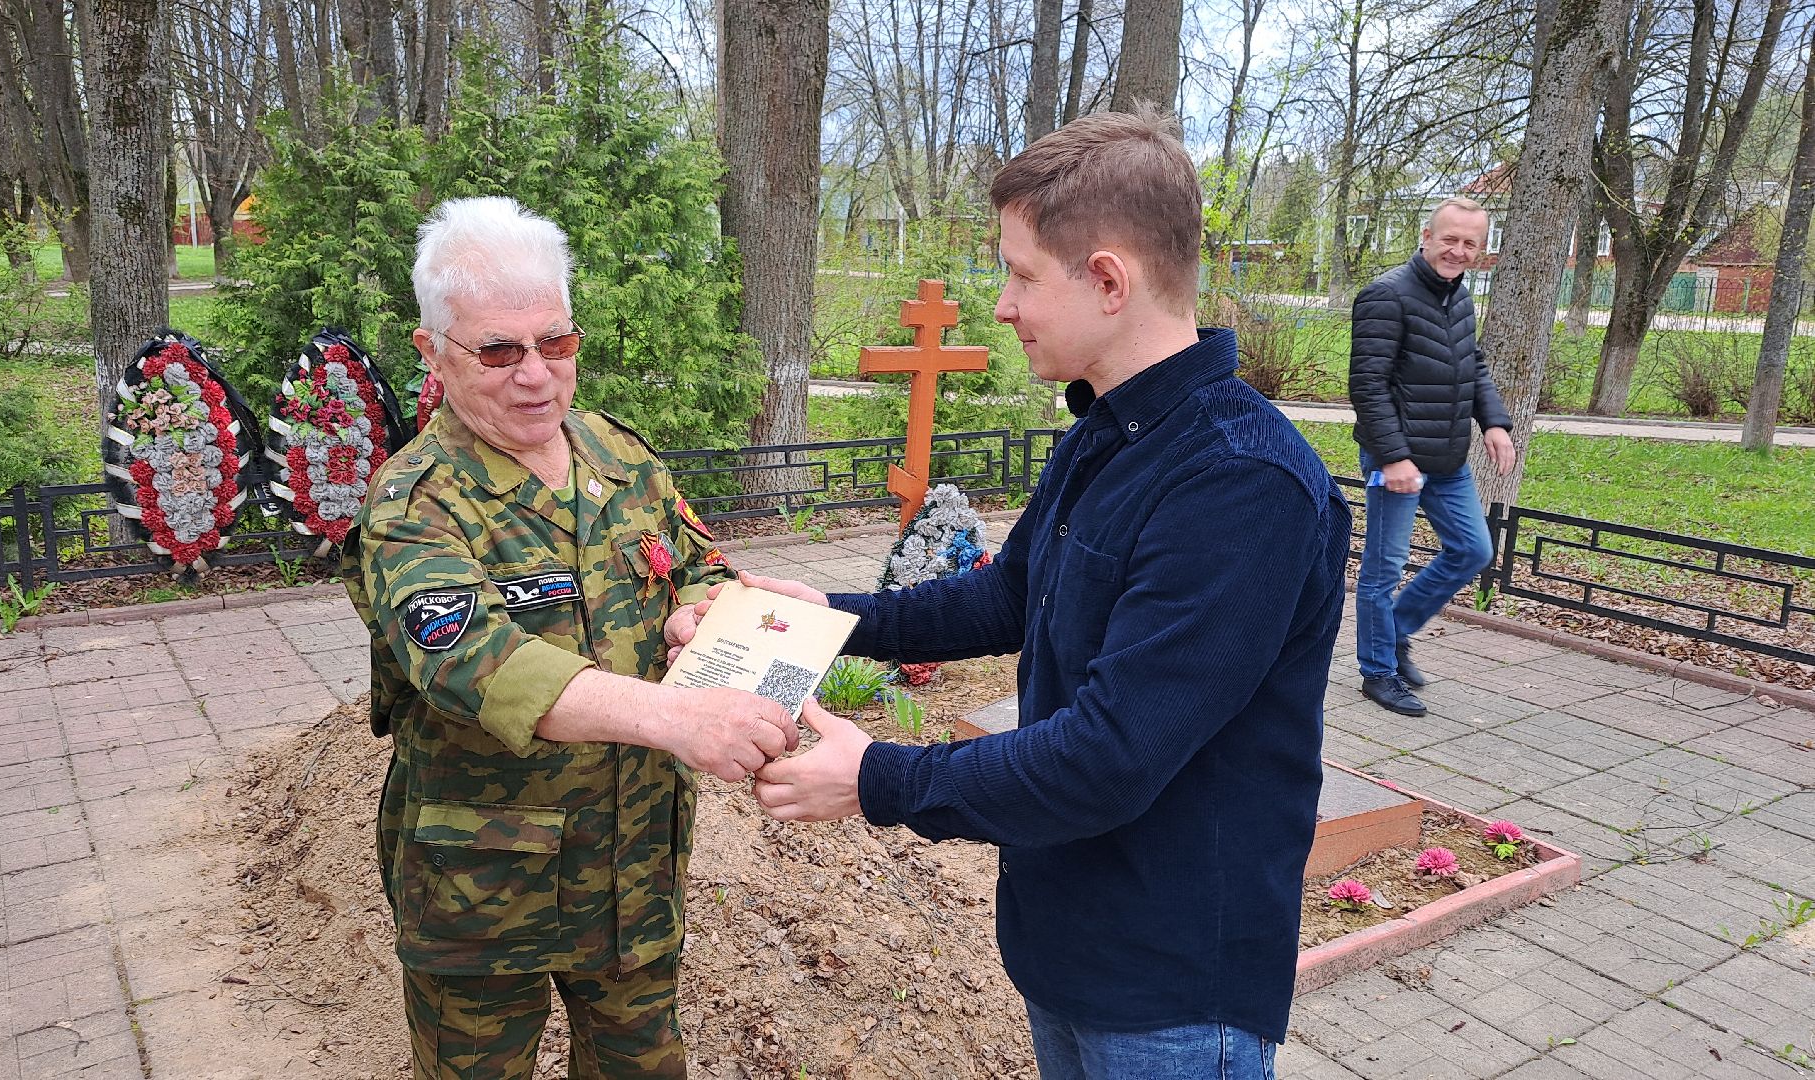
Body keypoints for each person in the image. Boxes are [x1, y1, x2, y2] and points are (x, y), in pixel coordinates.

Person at [685, 108, 1352, 1080]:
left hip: (1171, 989)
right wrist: (828, 616)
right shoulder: (1108, 431)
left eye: (1021, 273)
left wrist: (877, 779)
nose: (1001, 304)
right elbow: (1008, 598)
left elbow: (1110, 757)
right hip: (1069, 941)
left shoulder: (1240, 484)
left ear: (1110, 280)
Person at [342, 195, 799, 1080]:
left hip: (630, 866)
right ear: (432, 353)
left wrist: (694, 612)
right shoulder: (414, 504)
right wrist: (679, 720)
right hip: (484, 889)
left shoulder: (618, 458)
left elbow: (697, 562)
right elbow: (475, 664)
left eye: (555, 343)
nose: (535, 376)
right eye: (499, 351)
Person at [1348, 196, 1515, 718]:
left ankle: (1394, 632)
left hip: (1446, 458)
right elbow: (1367, 386)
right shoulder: (1385, 295)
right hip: (1394, 462)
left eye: (1470, 243)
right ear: (1426, 236)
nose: (1458, 250)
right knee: (1383, 570)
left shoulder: (1459, 299)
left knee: (1472, 551)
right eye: (1450, 239)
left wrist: (1495, 422)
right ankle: (1377, 672)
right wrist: (1394, 458)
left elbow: (1474, 366)